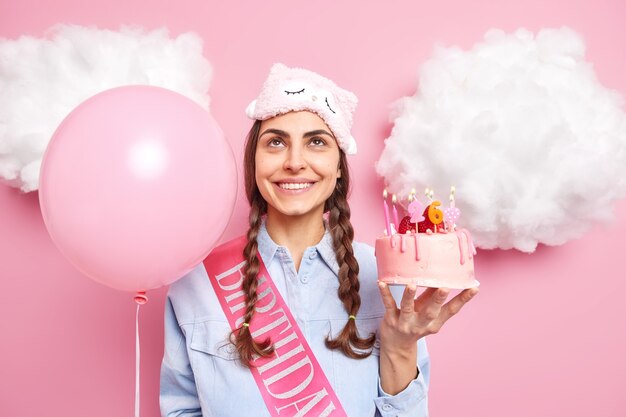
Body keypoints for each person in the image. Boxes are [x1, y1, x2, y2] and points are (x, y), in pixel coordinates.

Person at [159, 63, 479, 417]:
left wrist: (400, 348)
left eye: (316, 142)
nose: (295, 162)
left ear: (339, 165)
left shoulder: (387, 275)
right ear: (254, 162)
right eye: (276, 142)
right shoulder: (198, 281)